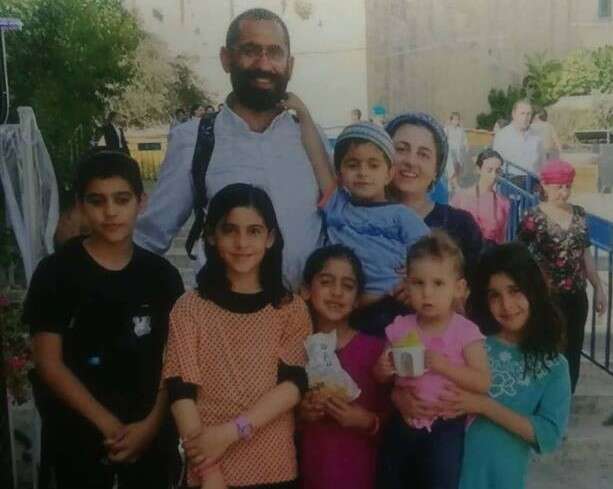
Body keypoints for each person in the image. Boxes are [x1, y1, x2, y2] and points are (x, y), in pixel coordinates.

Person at [135, 8, 329, 289]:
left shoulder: (310, 137)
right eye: (250, 51)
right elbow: (150, 236)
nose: (264, 64)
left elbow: (345, 217)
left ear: (290, 64)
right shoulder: (195, 139)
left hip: (308, 311)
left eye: (275, 53)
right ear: (226, 59)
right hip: (224, 311)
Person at [23, 151, 184, 489]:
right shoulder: (56, 273)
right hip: (78, 437)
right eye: (97, 201)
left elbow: (175, 360)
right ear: (81, 206)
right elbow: (48, 362)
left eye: (121, 199)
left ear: (141, 202)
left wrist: (150, 426)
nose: (110, 211)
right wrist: (110, 426)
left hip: (150, 438)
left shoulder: (162, 276)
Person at [163, 183, 312, 489]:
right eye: (230, 230)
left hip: (274, 467)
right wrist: (208, 470)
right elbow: (180, 390)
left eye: (254, 231)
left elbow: (293, 384)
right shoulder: (190, 307)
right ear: (211, 236)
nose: (242, 243)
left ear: (270, 238)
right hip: (209, 470)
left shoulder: (290, 308)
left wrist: (231, 432)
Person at [449, 242, 571, 489]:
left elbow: (548, 434)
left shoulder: (554, 366)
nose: (506, 305)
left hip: (502, 480)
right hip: (448, 474)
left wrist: (484, 406)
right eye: (495, 295)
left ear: (533, 290)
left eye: (515, 291)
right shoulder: (471, 343)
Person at [374, 231, 490, 489]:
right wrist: (382, 369)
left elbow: (483, 382)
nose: (427, 293)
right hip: (403, 421)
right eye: (418, 283)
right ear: (406, 286)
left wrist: (444, 366)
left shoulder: (465, 331)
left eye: (438, 283)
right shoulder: (400, 327)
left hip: (445, 426)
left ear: (458, 288)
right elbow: (382, 378)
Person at [297, 245, 388, 489]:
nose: (337, 292)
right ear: (305, 290)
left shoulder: (377, 351)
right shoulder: (295, 349)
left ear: (357, 300)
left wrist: (366, 421)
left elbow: (400, 422)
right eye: (326, 282)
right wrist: (301, 414)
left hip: (362, 477)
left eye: (347, 286)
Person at [517, 159, 607, 393]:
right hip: (546, 299)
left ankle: (565, 402)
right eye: (559, 187)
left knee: (572, 353)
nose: (564, 192)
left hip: (576, 296)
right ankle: (544, 403)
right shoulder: (532, 217)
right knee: (547, 351)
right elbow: (520, 258)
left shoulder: (579, 214)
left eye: (568, 186)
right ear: (545, 186)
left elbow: (585, 253)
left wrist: (598, 288)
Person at [386, 112, 483, 275]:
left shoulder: (461, 226)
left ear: (436, 170)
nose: (411, 161)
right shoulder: (359, 219)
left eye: (423, 154)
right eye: (401, 149)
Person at [450, 149, 510, 245]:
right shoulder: (461, 197)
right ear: (478, 169)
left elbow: (501, 239)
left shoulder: (503, 203)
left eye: (497, 171)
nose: (493, 175)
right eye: (489, 170)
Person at [493, 99, 544, 181]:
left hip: (533, 182)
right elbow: (495, 164)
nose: (525, 117)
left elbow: (542, 163)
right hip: (510, 182)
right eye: (522, 113)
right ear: (514, 114)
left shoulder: (537, 137)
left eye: (528, 114)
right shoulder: (502, 136)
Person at [444, 112, 468, 194]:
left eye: (457, 119)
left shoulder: (461, 130)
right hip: (450, 151)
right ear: (451, 120)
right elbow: (444, 139)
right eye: (454, 119)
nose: (456, 121)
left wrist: (465, 149)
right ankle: (449, 184)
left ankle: (456, 184)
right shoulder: (447, 129)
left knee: (458, 168)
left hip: (459, 152)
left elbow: (465, 141)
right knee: (451, 168)